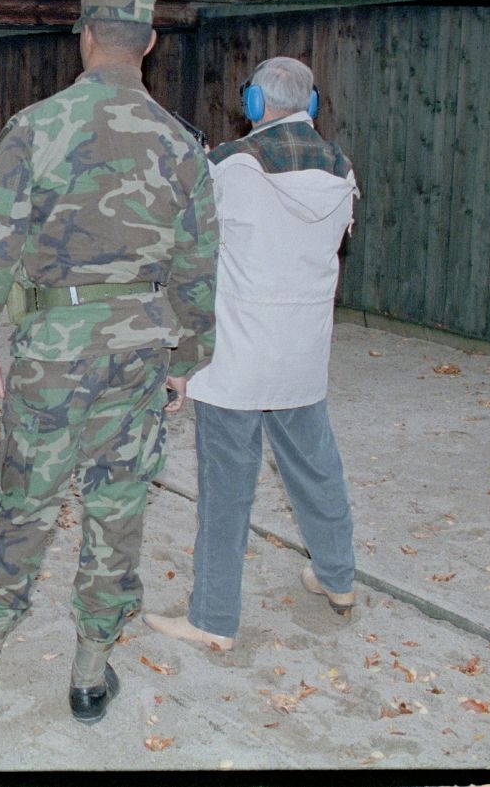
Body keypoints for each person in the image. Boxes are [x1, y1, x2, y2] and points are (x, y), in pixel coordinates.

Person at [0, 0, 218, 724]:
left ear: (85, 34)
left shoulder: (35, 127)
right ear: (150, 43)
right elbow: (197, 267)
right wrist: (187, 360)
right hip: (138, 352)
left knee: (24, 504)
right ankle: (91, 676)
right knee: (118, 507)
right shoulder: (182, 143)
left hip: (53, 351)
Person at [144, 56, 360, 652]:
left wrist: (181, 357)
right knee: (316, 469)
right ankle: (338, 578)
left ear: (255, 105)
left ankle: (213, 618)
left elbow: (192, 257)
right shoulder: (342, 169)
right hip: (303, 355)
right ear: (311, 106)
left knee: (227, 489)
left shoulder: (229, 167)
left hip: (235, 358)